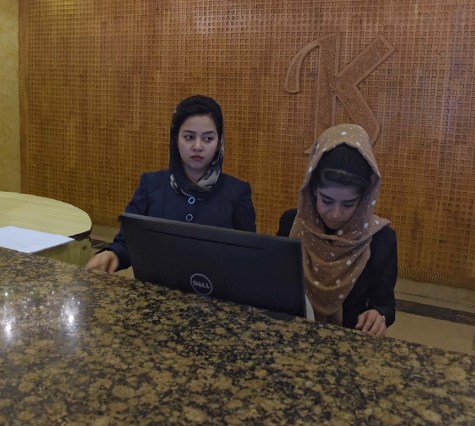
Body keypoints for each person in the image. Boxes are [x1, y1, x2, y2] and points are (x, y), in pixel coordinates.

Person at [87, 95, 257, 273]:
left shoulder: (237, 193)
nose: (198, 146)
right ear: (176, 138)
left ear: (219, 142)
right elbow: (127, 241)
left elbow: (248, 254)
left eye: (208, 139)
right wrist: (112, 254)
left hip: (216, 295)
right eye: (189, 137)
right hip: (156, 294)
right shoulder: (151, 185)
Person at [277, 124, 397, 336]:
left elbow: (385, 303)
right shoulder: (292, 224)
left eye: (348, 204)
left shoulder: (380, 239)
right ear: (312, 189)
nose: (335, 214)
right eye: (327, 200)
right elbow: (274, 284)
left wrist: (378, 314)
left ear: (364, 198)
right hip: (292, 336)